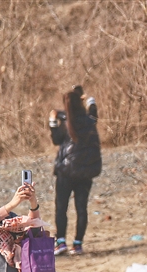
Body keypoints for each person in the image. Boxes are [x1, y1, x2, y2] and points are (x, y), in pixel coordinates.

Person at [49, 89, 102, 255]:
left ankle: (61, 241)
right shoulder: (89, 120)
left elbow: (56, 139)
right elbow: (93, 112)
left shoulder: (66, 122)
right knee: (81, 208)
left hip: (66, 172)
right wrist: (91, 101)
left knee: (61, 207)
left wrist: (52, 121)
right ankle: (78, 244)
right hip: (86, 172)